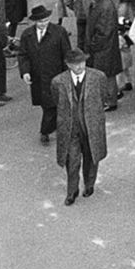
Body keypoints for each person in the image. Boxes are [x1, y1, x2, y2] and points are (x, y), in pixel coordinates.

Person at [52, 47, 108, 204]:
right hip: (70, 129)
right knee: (72, 160)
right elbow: (56, 101)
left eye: (82, 62)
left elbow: (103, 96)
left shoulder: (98, 77)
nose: (80, 66)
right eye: (75, 64)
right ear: (68, 65)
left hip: (91, 126)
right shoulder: (58, 81)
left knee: (92, 157)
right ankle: (72, 191)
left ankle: (89, 185)